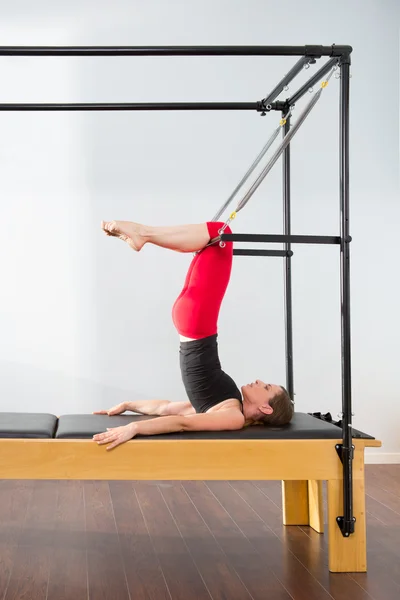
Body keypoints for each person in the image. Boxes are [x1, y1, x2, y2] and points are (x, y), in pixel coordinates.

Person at [93, 220, 294, 450]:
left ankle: (143, 233)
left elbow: (182, 423)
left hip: (198, 323)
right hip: (191, 322)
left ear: (265, 409)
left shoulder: (233, 417)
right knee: (210, 243)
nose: (259, 381)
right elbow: (166, 408)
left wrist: (134, 428)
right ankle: (143, 235)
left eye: (266, 387)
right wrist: (128, 404)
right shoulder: (226, 404)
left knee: (222, 234)